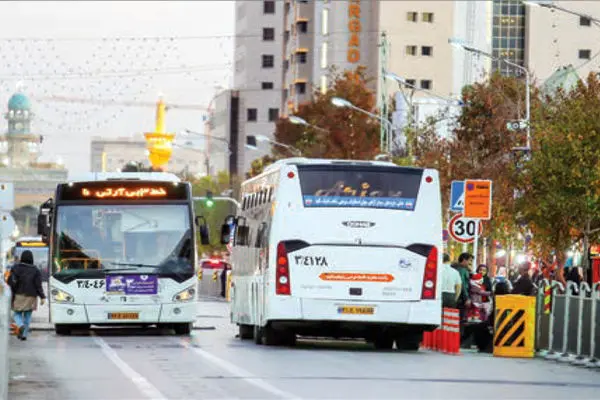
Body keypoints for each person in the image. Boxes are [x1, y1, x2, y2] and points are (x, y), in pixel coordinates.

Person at [8, 250, 46, 341]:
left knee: (17, 313)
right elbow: (38, 285)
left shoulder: (15, 268)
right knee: (28, 315)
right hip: (31, 295)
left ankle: (20, 325)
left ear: (22, 258)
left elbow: (11, 282)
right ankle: (24, 335)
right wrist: (42, 297)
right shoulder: (35, 270)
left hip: (19, 294)